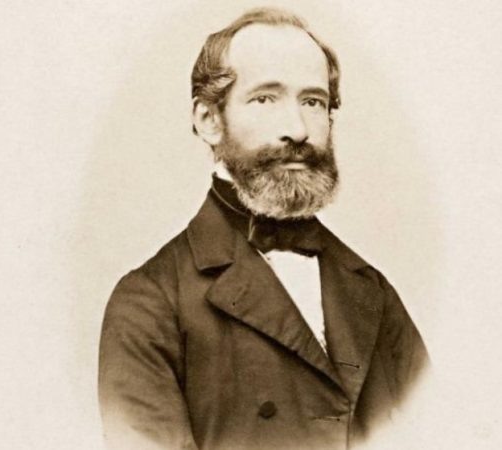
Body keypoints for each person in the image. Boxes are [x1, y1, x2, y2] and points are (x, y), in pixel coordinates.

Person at [98, 7, 429, 450]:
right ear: (208, 120)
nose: (297, 130)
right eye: (265, 99)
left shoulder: (372, 291)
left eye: (313, 102)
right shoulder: (149, 304)